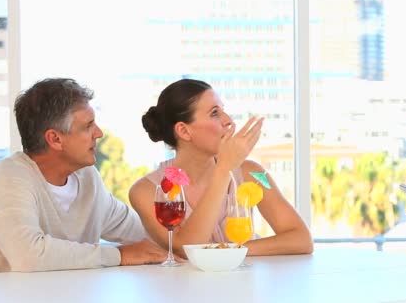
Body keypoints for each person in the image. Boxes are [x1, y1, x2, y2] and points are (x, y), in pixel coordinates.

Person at [0, 78, 167, 274]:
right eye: (87, 126)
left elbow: (138, 230)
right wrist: (120, 255)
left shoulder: (87, 177)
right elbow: (29, 257)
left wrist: (184, 240)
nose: (99, 133)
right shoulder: (8, 178)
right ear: (55, 139)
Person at [129, 79, 313, 257]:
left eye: (223, 110)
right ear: (184, 131)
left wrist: (233, 251)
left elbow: (301, 240)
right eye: (214, 113)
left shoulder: (251, 174)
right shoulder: (146, 191)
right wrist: (224, 170)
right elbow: (187, 249)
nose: (228, 121)